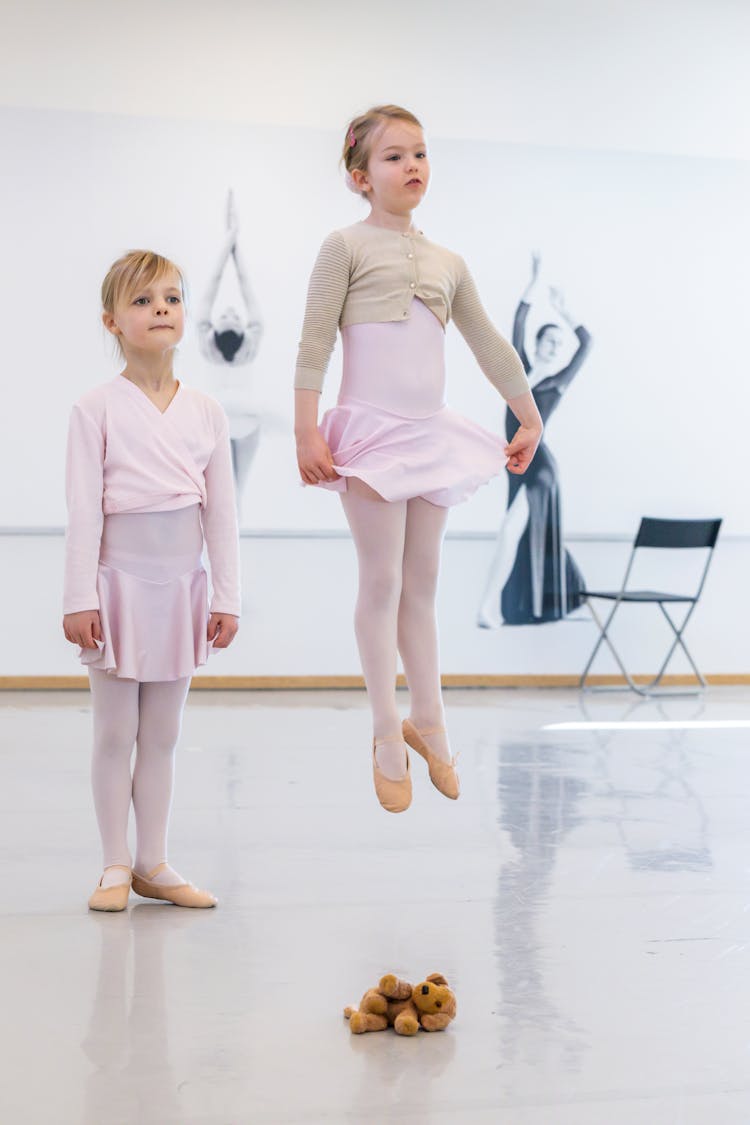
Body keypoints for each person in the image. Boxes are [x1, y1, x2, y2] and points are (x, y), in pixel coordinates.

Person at [294, 105, 543, 814]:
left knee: (422, 583)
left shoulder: (447, 263)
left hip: (430, 434)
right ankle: (384, 730)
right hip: (370, 433)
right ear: (359, 177)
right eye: (394, 157)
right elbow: (314, 341)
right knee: (381, 579)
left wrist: (529, 414)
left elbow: (489, 342)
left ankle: (429, 718)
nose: (412, 167)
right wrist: (306, 430)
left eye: (421, 154)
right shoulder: (343, 246)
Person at [63, 250, 240, 911]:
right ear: (111, 319)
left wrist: (226, 594)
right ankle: (113, 862)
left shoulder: (207, 412)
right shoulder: (94, 408)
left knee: (163, 734)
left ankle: (153, 860)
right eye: (142, 300)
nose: (160, 308)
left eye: (171, 297)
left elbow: (221, 512)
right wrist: (80, 595)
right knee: (115, 732)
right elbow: (84, 507)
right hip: (117, 586)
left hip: (182, 588)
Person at [477, 253, 592, 628]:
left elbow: (587, 343)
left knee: (512, 528)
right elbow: (518, 323)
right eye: (550, 341)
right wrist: (535, 283)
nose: (556, 348)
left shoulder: (558, 383)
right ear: (539, 343)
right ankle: (573, 592)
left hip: (540, 466)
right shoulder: (520, 370)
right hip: (516, 463)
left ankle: (488, 608)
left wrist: (565, 310)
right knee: (531, 532)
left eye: (561, 344)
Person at [197, 190, 264, 504]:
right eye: (229, 312)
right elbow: (220, 282)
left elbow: (224, 282)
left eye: (232, 313)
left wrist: (231, 240)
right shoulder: (246, 346)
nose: (231, 310)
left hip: (237, 422)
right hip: (232, 424)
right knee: (228, 494)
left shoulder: (208, 345)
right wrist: (232, 238)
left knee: (233, 494)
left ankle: (230, 547)